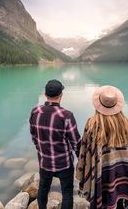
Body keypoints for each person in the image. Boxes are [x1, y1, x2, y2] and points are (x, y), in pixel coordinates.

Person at [76, 85, 128, 209]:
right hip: (124, 171)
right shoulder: (126, 123)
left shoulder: (92, 125)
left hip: (102, 172)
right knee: (119, 201)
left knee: (104, 200)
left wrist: (82, 171)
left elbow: (85, 152)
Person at [29, 79, 81, 209]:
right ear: (61, 95)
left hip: (45, 162)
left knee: (43, 187)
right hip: (64, 164)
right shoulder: (66, 115)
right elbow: (76, 143)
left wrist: (41, 150)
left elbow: (34, 137)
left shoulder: (35, 112)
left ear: (45, 95)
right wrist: (82, 159)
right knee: (67, 193)